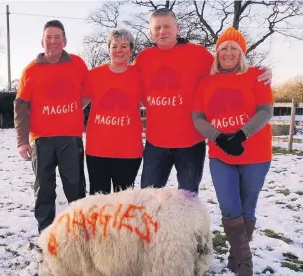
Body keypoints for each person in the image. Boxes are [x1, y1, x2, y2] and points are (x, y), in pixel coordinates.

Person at [134, 8, 272, 194]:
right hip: (155, 143)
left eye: (167, 26)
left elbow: (228, 66)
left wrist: (261, 72)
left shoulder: (198, 54)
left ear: (177, 27)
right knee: (147, 197)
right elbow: (125, 80)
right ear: (151, 31)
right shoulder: (143, 58)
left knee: (188, 198)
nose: (162, 32)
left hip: (191, 142)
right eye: (157, 28)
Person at [192, 26, 274, 276]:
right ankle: (245, 263)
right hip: (220, 154)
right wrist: (219, 137)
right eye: (223, 48)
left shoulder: (257, 76)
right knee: (229, 206)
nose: (228, 52)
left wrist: (241, 135)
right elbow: (197, 117)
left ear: (242, 52)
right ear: (217, 53)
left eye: (233, 48)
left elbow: (265, 110)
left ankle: (238, 260)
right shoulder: (206, 82)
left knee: (247, 206)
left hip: (256, 153)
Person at [14, 20, 88, 233]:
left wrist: (73, 109)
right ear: (42, 42)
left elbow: (87, 93)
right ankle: (46, 236)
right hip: (41, 140)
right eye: (49, 37)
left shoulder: (78, 64)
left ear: (64, 41)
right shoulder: (31, 70)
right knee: (44, 189)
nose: (53, 41)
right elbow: (20, 106)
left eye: (57, 37)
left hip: (70, 138)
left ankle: (78, 234)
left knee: (76, 188)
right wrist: (21, 141)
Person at [82, 28, 143, 195]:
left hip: (129, 151)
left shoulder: (139, 76)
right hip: (97, 150)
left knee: (123, 202)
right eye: (115, 46)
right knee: (98, 200)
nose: (119, 51)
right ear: (108, 49)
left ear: (131, 49)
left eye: (124, 46)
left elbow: (155, 104)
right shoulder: (94, 75)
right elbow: (76, 104)